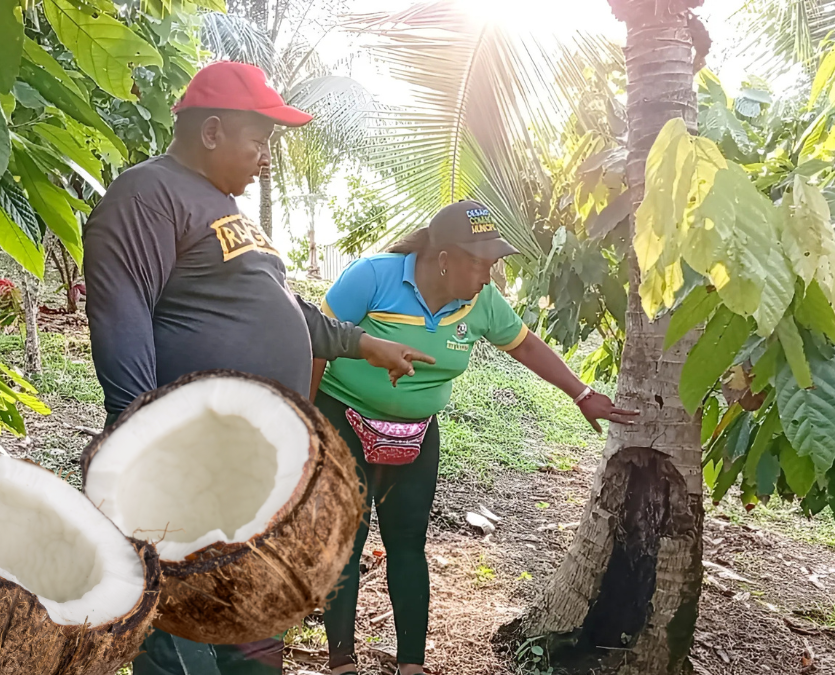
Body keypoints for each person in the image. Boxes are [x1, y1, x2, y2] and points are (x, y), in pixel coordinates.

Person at [82, 61, 434, 675]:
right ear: (212, 131)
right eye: (259, 139)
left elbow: (281, 308)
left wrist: (364, 344)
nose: (265, 156)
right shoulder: (149, 194)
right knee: (182, 628)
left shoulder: (224, 209)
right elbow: (123, 315)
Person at [311, 200, 639, 675]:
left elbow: (524, 343)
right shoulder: (372, 277)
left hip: (416, 434)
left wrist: (581, 393)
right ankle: (341, 661)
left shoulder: (480, 302)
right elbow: (316, 340)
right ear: (443, 258)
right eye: (480, 263)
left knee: (407, 543)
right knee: (345, 541)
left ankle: (411, 666)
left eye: (493, 263)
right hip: (342, 418)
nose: (489, 275)